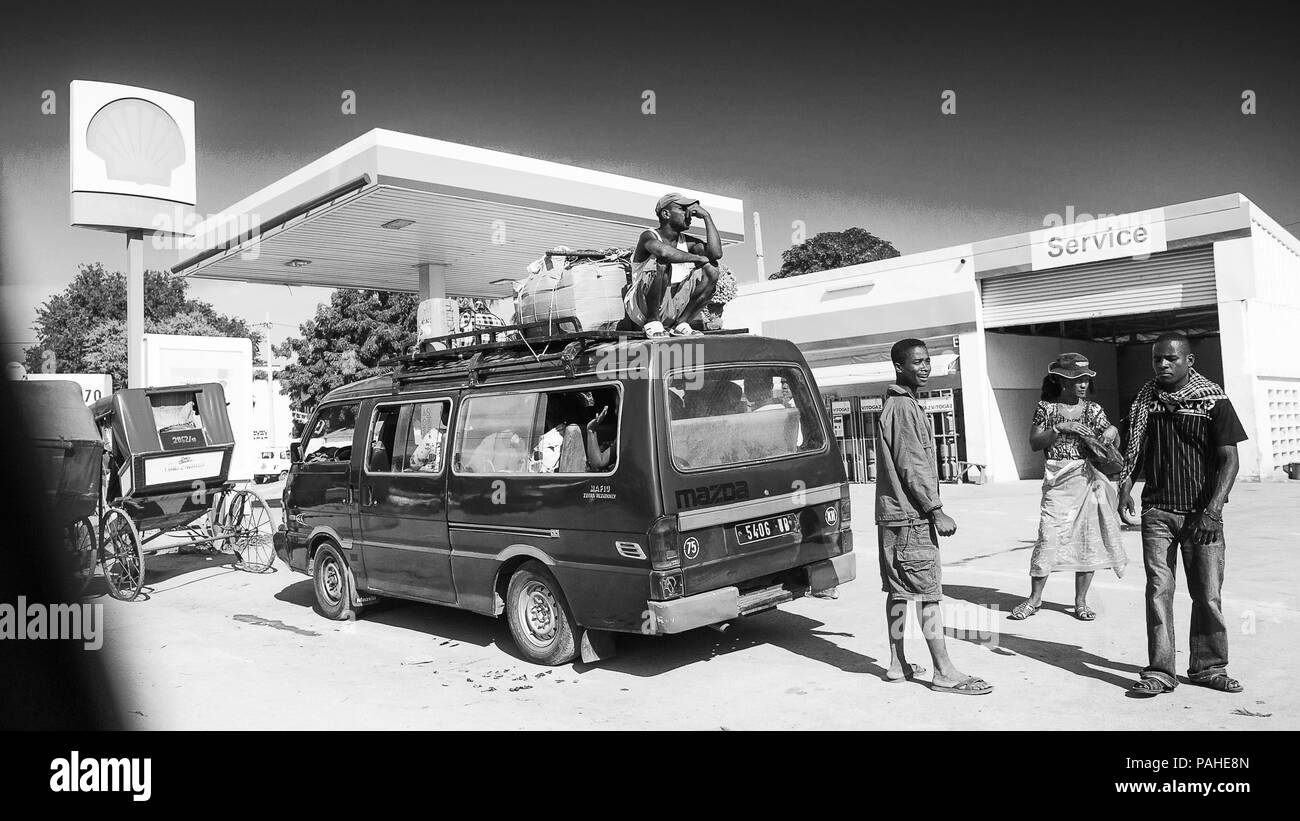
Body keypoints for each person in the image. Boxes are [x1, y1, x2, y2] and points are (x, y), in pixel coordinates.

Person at [1119, 333, 1248, 698]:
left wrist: (1214, 509)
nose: (1162, 364)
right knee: (1158, 591)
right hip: (1157, 511)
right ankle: (1160, 671)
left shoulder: (1214, 401)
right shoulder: (1146, 401)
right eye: (1157, 358)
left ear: (1189, 361)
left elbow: (1230, 461)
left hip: (1201, 514)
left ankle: (1209, 667)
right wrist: (1126, 485)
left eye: (1171, 359)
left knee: (1207, 595)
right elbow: (1136, 449)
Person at [876, 338, 992, 695]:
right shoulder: (904, 408)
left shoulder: (895, 405)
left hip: (892, 516)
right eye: (918, 362)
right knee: (928, 594)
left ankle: (898, 663)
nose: (925, 367)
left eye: (928, 361)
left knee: (898, 592)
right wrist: (935, 510)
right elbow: (912, 465)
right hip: (911, 518)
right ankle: (943, 671)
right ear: (900, 366)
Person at [1010, 353, 1126, 621]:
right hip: (1056, 482)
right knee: (1048, 539)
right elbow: (1035, 443)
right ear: (1062, 381)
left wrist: (1112, 431)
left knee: (1086, 542)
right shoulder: (1047, 409)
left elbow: (1111, 438)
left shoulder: (1093, 410)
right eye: (1077, 379)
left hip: (1086, 481)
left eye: (1085, 379)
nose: (1083, 384)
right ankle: (1034, 599)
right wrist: (1060, 428)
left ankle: (1080, 602)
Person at [622, 193, 723, 337]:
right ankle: (652, 322)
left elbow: (716, 254)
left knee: (712, 268)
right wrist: (697, 258)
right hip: (643, 307)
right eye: (683, 209)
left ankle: (681, 323)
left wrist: (707, 217)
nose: (689, 214)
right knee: (662, 261)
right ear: (666, 213)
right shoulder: (649, 236)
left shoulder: (688, 242)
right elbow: (663, 252)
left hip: (674, 305)